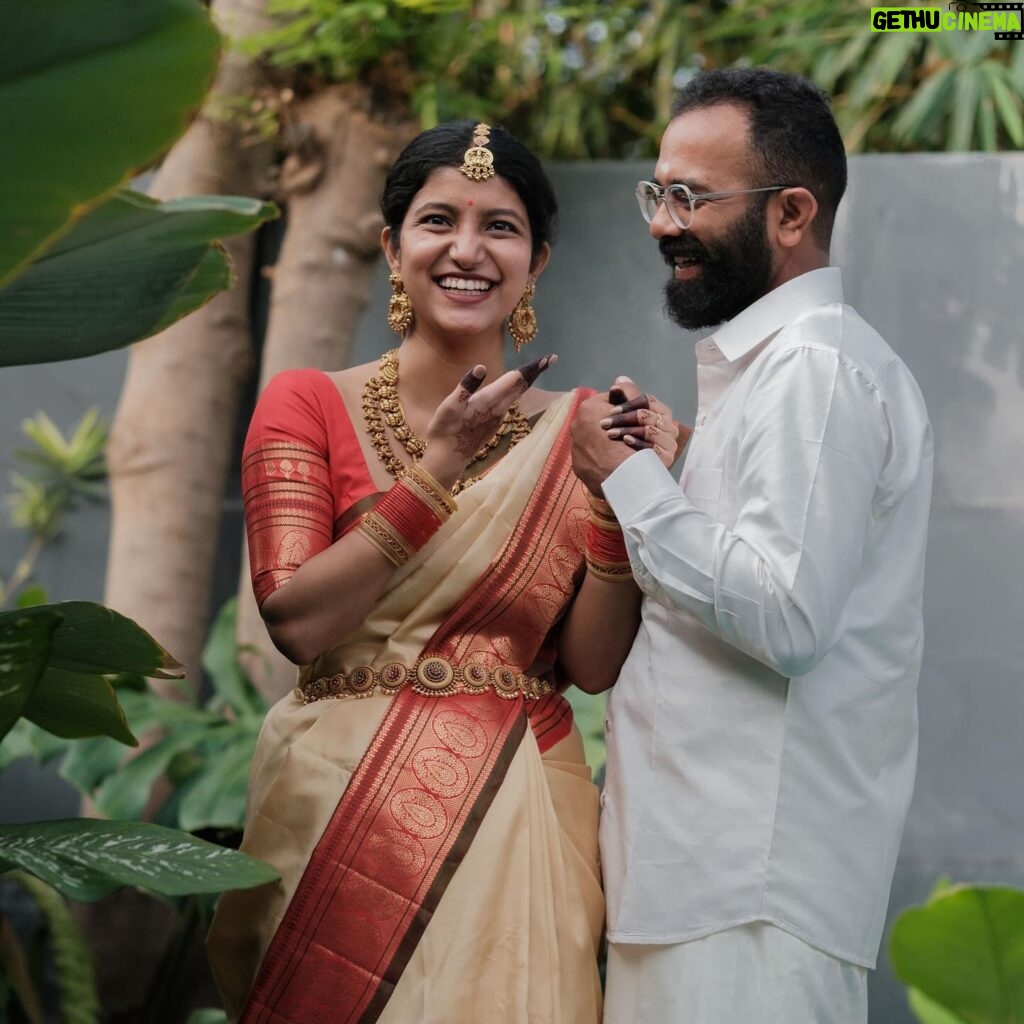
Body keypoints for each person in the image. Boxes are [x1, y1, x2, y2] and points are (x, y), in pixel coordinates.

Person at [206, 119, 680, 1024]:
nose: (468, 250)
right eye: (438, 221)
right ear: (392, 247)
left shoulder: (576, 428)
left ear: (537, 260)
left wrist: (622, 503)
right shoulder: (306, 403)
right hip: (333, 804)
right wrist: (436, 471)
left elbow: (588, 666)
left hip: (519, 802)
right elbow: (298, 621)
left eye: (500, 227)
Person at [570, 68, 934, 1023]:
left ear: (791, 213)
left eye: (691, 196)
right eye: (658, 192)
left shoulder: (814, 368)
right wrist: (678, 464)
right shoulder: (780, 372)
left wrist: (629, 480)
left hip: (746, 898)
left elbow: (786, 615)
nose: (661, 222)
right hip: (700, 885)